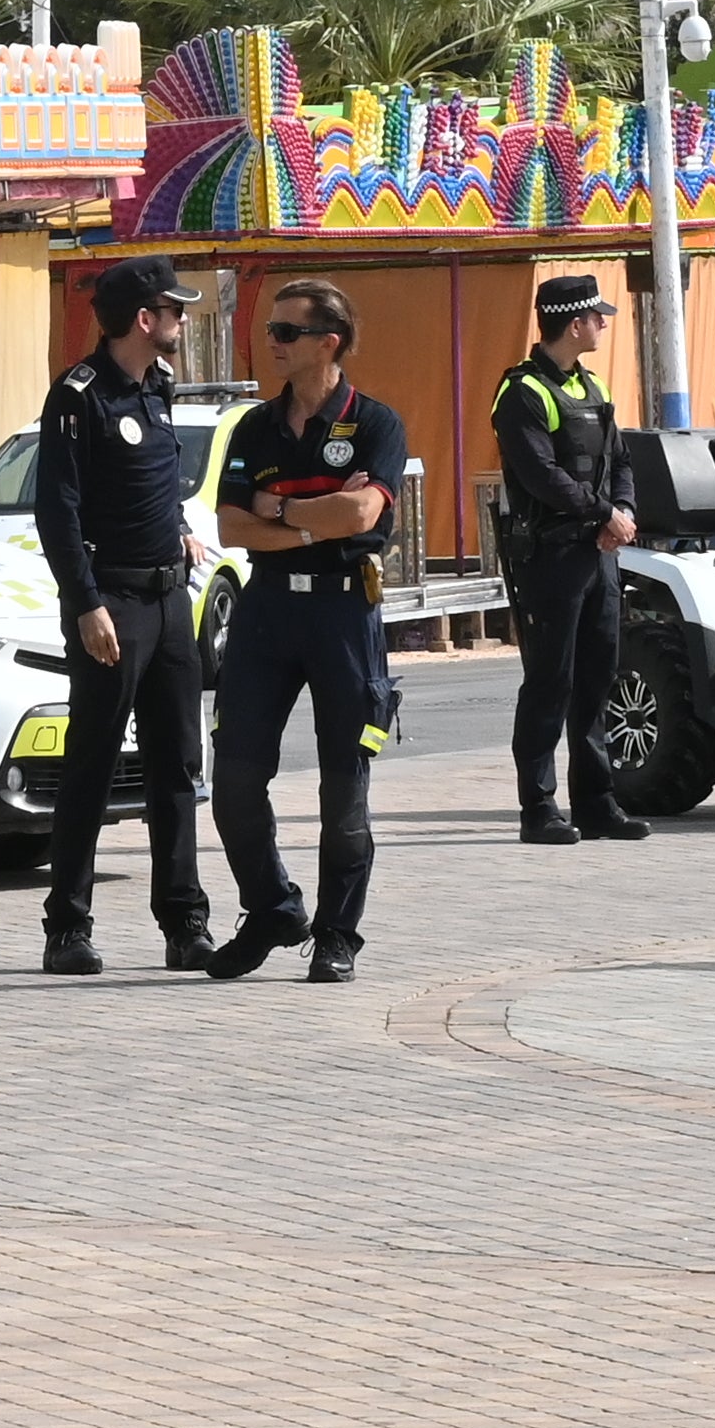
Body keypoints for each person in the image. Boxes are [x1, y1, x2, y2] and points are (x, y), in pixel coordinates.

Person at [203, 279, 409, 985]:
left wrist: (281, 510)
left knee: (342, 784)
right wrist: (315, 512)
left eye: (287, 332)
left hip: (343, 611)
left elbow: (360, 520)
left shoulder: (375, 423)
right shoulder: (255, 428)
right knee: (232, 776)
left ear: (330, 342)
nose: (273, 342)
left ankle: (337, 933)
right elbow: (230, 526)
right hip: (266, 612)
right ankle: (272, 909)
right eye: (271, 330)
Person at [28, 257, 214, 972]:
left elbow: (150, 484)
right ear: (145, 319)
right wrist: (85, 604)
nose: (183, 320)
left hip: (171, 602)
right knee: (94, 764)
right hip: (114, 604)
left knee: (177, 766)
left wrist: (177, 526)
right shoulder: (79, 397)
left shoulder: (157, 390)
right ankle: (67, 927)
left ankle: (184, 923)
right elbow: (59, 510)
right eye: (174, 309)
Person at [489, 272, 642, 848]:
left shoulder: (594, 387)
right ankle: (539, 807)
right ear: (574, 323)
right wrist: (603, 513)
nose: (603, 324)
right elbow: (540, 475)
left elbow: (620, 461)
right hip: (551, 556)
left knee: (599, 677)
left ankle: (597, 802)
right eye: (596, 317)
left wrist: (619, 510)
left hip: (598, 554)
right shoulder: (523, 393)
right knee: (549, 682)